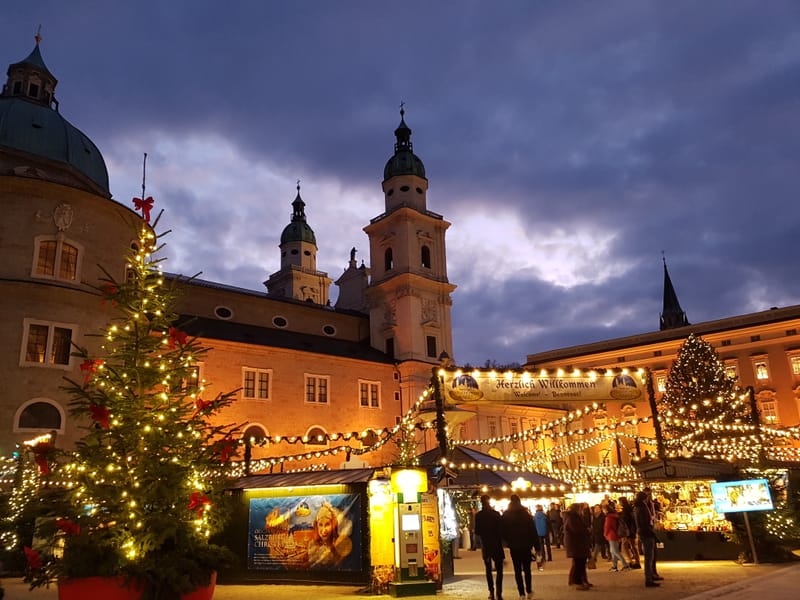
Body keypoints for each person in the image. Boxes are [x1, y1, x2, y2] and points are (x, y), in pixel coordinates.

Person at [501, 494, 539, 599]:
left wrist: (507, 541)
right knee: (527, 569)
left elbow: (503, 531)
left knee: (517, 570)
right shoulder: (525, 514)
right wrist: (537, 546)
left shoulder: (506, 515)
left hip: (514, 546)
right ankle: (529, 590)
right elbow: (533, 531)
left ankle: (521, 592)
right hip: (526, 545)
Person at [475, 495, 505, 600]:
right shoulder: (496, 514)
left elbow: (477, 531)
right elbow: (501, 530)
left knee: (488, 570)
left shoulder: (479, 515)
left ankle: (491, 592)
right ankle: (499, 592)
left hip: (486, 545)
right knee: (499, 570)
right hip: (496, 545)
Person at [307, 502, 353, 568]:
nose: (323, 530)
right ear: (317, 526)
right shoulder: (312, 546)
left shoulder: (340, 545)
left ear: (333, 526)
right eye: (320, 525)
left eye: (327, 524)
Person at [633, 491, 660, 587]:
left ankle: (650, 576)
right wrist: (651, 532)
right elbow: (645, 522)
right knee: (649, 557)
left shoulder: (636, 508)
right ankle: (649, 579)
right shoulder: (642, 508)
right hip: (647, 533)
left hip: (642, 532)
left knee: (649, 556)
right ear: (644, 498)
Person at [563, 502, 592, 591]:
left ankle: (582, 581)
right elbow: (577, 530)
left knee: (580, 563)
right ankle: (577, 582)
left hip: (578, 544)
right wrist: (587, 531)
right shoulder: (572, 518)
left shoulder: (575, 517)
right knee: (579, 563)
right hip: (576, 544)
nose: (582, 510)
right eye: (581, 509)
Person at [603, 502, 631, 572]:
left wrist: (605, 534)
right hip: (615, 534)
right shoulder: (614, 516)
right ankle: (614, 566)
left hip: (611, 535)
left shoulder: (608, 517)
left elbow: (607, 527)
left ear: (606, 510)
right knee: (613, 551)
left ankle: (625, 565)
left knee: (615, 551)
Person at [618, 496, 641, 568]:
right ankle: (637, 561)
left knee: (625, 546)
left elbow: (626, 521)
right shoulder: (630, 508)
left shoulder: (625, 510)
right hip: (632, 530)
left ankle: (630, 561)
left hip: (628, 530)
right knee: (633, 546)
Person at [589, 504, 607, 568]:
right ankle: (594, 559)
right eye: (595, 508)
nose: (596, 509)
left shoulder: (603, 516)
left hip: (602, 533)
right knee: (598, 545)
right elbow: (593, 524)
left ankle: (593, 559)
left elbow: (604, 525)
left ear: (600, 509)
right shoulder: (593, 516)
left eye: (598, 508)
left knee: (600, 546)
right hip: (596, 533)